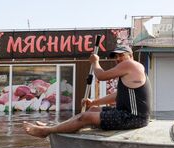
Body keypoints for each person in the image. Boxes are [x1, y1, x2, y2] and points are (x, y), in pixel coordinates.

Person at [23, 45, 151, 138]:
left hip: (134, 118)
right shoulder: (130, 71)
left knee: (86, 116)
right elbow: (118, 96)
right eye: (116, 56)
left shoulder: (130, 64)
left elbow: (101, 76)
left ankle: (46, 131)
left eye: (121, 55)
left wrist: (95, 62)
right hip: (126, 114)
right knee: (93, 110)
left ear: (131, 55)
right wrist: (94, 102)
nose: (117, 58)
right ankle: (55, 126)